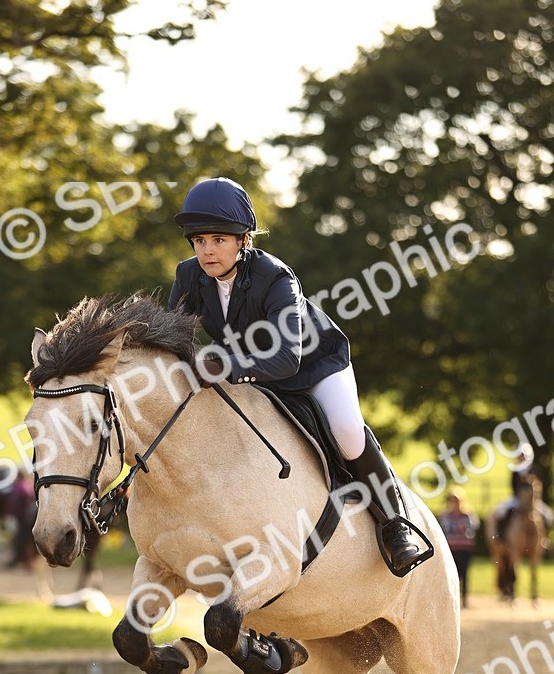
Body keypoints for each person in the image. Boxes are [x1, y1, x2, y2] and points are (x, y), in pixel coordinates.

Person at [168, 176, 427, 575]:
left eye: (218, 240)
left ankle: (396, 526)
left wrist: (224, 366)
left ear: (243, 240)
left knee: (346, 432)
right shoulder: (188, 277)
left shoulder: (276, 278)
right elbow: (172, 338)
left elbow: (287, 359)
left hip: (314, 366)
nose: (207, 250)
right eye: (199, 241)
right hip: (252, 372)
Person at [439, 489, 479, 607]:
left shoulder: (468, 514)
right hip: (451, 548)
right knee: (451, 575)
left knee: (465, 574)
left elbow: (471, 529)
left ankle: (464, 598)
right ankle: (452, 598)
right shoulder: (446, 515)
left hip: (464, 548)